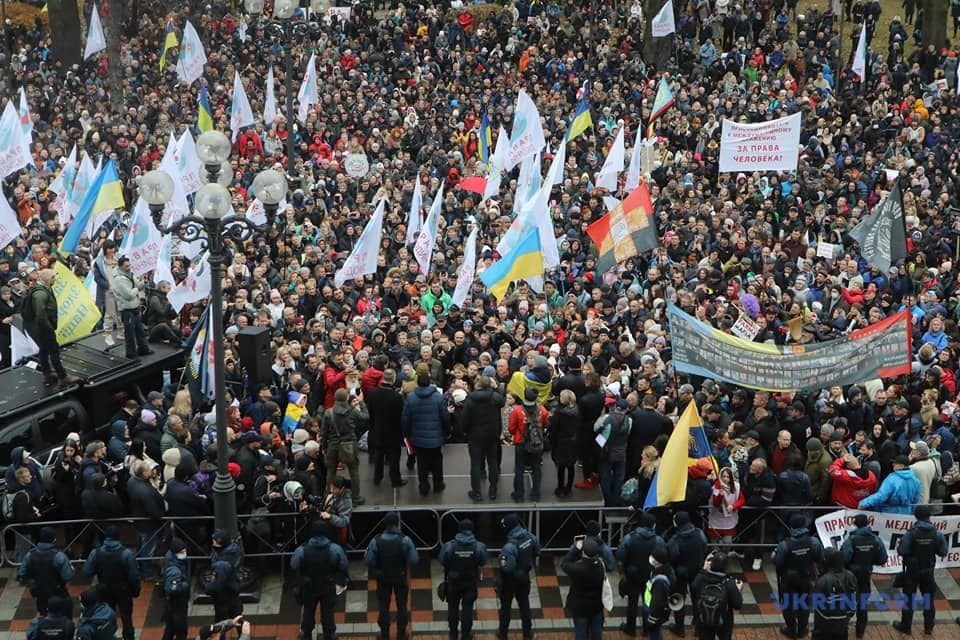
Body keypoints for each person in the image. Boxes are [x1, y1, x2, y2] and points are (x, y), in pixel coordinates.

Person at [893, 505, 948, 635]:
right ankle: (928, 627)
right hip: (928, 571)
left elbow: (902, 551)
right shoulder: (937, 533)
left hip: (912, 571)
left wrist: (899, 545)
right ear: (929, 516)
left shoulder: (910, 534)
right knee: (928, 599)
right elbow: (943, 551)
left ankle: (906, 626)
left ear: (916, 516)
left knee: (909, 599)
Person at [364, 511, 418, 640]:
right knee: (402, 606)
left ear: (385, 524)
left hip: (382, 578)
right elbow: (414, 560)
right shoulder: (405, 540)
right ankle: (401, 634)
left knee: (383, 606)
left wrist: (377, 568)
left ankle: (384, 635)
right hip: (400, 577)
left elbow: (368, 561)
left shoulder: (376, 541)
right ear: (397, 523)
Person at [20, 269, 79, 385]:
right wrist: (48, 328)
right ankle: (63, 376)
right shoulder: (40, 293)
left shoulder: (42, 290)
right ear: (48, 279)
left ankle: (47, 374)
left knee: (44, 350)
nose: (55, 279)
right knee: (54, 350)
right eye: (53, 277)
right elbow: (40, 314)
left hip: (40, 327)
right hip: (43, 328)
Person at [291, 520, 348, 640]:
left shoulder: (302, 550)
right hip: (328, 584)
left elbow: (294, 565)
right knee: (328, 612)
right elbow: (343, 564)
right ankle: (329, 634)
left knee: (308, 611)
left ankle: (306, 634)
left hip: (309, 585)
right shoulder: (334, 548)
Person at [82, 524, 140, 640]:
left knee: (106, 617)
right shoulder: (126, 553)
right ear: (119, 537)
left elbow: (87, 572)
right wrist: (135, 590)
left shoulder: (95, 553)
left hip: (104, 589)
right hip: (123, 589)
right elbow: (134, 576)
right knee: (126, 617)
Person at [773, 513, 824, 638]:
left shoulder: (785, 544)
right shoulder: (814, 541)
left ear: (791, 527)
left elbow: (777, 561)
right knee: (804, 603)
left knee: (788, 604)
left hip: (788, 579)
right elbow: (819, 557)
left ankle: (791, 629)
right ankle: (802, 629)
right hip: (807, 577)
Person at [402, 373, 451, 497]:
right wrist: (446, 432)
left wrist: (407, 433)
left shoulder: (411, 397)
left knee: (421, 462)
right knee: (437, 461)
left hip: (418, 437)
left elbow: (406, 418)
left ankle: (423, 486)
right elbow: (445, 416)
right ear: (429, 382)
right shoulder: (438, 397)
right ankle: (438, 484)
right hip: (436, 437)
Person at [616, 512, 665, 637]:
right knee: (647, 602)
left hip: (633, 575)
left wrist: (623, 572)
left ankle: (630, 628)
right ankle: (646, 629)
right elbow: (664, 556)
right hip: (650, 576)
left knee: (632, 602)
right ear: (653, 525)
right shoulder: (658, 540)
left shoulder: (629, 538)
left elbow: (620, 555)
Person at [438, 519, 486, 640]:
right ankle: (466, 634)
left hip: (453, 583)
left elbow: (442, 560)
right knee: (468, 608)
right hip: (470, 582)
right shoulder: (479, 546)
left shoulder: (449, 546)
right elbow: (482, 561)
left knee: (452, 608)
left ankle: (453, 634)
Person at [841, 513, 888, 638]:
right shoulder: (875, 539)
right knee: (862, 604)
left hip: (851, 576)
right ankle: (860, 632)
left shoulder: (851, 540)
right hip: (866, 574)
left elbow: (844, 558)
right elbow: (883, 558)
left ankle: (842, 630)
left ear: (855, 524)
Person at [460, 374, 506, 501]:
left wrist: (465, 432)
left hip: (475, 435)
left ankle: (477, 492)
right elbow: (503, 401)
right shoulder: (495, 398)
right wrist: (495, 388)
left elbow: (464, 420)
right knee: (492, 462)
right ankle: (493, 490)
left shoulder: (470, 399)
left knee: (475, 463)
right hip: (492, 434)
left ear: (478, 385)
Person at [496, 512, 541, 640]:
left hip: (509, 582)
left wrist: (501, 560)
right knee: (525, 606)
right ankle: (527, 634)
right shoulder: (530, 537)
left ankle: (503, 633)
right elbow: (537, 551)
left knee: (505, 608)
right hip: (524, 577)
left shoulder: (509, 547)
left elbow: (507, 568)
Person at [320, 387, 368, 506]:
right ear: (347, 398)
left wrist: (324, 446)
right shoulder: (352, 411)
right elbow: (365, 418)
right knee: (354, 471)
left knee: (331, 472)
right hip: (349, 445)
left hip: (333, 445)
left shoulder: (328, 412)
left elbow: (324, 432)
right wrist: (361, 402)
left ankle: (329, 495)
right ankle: (355, 497)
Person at [666, 511, 709, 637]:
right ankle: (698, 627)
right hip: (697, 571)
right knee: (697, 599)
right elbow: (704, 546)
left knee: (678, 599)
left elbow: (671, 556)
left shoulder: (675, 540)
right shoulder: (699, 533)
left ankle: (679, 628)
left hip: (680, 574)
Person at [18, 526, 74, 617]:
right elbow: (68, 576)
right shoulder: (59, 556)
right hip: (58, 593)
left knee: (45, 617)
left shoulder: (30, 555)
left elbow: (22, 574)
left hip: (41, 596)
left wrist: (33, 582)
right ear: (54, 539)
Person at [365, 368, 407, 488]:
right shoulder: (397, 397)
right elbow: (401, 415)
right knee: (394, 457)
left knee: (378, 455)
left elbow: (370, 412)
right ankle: (395, 480)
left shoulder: (373, 393)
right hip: (393, 432)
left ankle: (377, 478)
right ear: (393, 379)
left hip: (377, 429)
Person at [560, 536, 607, 640]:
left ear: (583, 552)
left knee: (581, 632)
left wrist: (575, 549)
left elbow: (564, 564)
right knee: (596, 632)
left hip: (580, 607)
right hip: (596, 606)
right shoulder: (600, 566)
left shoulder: (578, 569)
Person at [508, 387, 548, 502]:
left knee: (519, 469)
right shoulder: (542, 410)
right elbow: (545, 424)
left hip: (521, 442)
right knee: (536, 468)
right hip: (537, 443)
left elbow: (511, 429)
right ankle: (536, 494)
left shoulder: (516, 410)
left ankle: (519, 494)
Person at [690, 552, 743, 640]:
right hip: (724, 622)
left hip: (704, 619)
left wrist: (703, 570)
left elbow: (693, 588)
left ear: (711, 564)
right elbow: (738, 605)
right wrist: (738, 590)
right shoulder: (729, 583)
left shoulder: (702, 578)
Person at [127, 460, 165, 579]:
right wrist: (161, 515)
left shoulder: (132, 481)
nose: (151, 470)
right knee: (148, 549)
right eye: (149, 469)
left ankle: (140, 565)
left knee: (141, 544)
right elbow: (154, 512)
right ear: (144, 473)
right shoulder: (146, 491)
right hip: (149, 524)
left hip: (139, 520)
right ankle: (147, 573)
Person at [812, 549, 858, 640]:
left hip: (824, 627)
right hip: (842, 625)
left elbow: (817, 606)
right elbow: (854, 600)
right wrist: (848, 615)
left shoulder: (823, 581)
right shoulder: (850, 576)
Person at [112, 255, 152, 358]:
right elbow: (128, 295)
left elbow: (138, 285)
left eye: (129, 265)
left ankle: (143, 348)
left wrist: (144, 282)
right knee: (130, 333)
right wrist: (136, 289)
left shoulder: (129, 274)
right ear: (120, 266)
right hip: (127, 309)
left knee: (139, 330)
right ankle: (131, 353)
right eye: (126, 266)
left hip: (134, 307)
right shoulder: (118, 279)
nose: (129, 268)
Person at [205, 529, 243, 622]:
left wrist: (208, 586)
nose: (213, 543)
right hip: (233, 590)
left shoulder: (221, 565)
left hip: (224, 597)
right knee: (238, 619)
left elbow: (215, 586)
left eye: (214, 541)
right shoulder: (235, 550)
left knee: (221, 625)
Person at [161, 538, 191, 640]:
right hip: (177, 605)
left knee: (170, 629)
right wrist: (185, 585)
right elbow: (172, 589)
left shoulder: (172, 559)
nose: (184, 553)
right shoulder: (174, 570)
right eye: (182, 552)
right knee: (180, 631)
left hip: (172, 605)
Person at [644, 546, 674, 640]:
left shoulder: (660, 581)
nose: (650, 558)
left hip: (654, 613)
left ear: (657, 561)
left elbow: (657, 602)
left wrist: (652, 619)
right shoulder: (658, 572)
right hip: (653, 610)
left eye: (652, 556)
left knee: (655, 635)